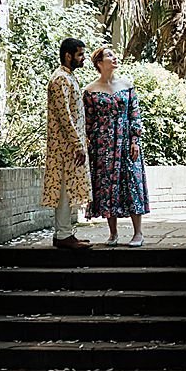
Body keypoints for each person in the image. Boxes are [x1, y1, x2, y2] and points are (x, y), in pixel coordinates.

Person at [83, 45, 150, 246]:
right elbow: (87, 121)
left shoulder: (127, 86)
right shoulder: (90, 90)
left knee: (132, 183)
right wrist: (88, 145)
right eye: (109, 55)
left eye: (114, 54)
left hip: (126, 143)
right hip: (102, 145)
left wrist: (135, 140)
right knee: (107, 187)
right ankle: (113, 233)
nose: (114, 57)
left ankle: (138, 233)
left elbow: (135, 115)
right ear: (99, 63)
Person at [41, 37, 92, 250]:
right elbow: (65, 116)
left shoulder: (68, 77)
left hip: (69, 145)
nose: (83, 59)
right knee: (63, 188)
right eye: (80, 54)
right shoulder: (61, 79)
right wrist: (77, 144)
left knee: (67, 188)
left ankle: (65, 232)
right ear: (68, 55)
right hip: (64, 147)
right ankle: (63, 235)